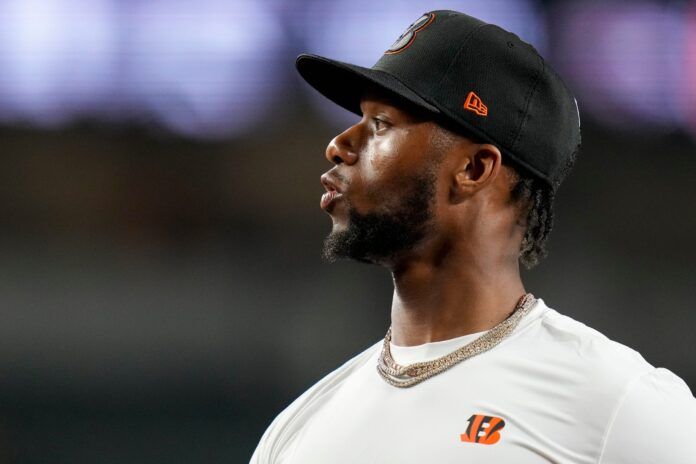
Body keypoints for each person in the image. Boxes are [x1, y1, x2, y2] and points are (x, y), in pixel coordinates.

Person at [251, 10, 696, 463]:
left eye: (381, 124)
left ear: (474, 168)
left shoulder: (618, 406)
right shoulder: (299, 429)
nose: (339, 144)